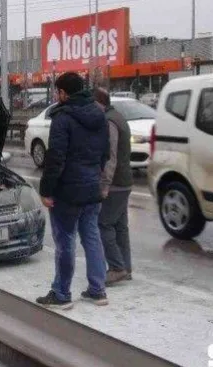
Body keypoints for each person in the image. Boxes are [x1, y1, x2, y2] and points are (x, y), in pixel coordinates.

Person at [36, 72, 110, 309]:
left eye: (57, 91)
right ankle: (98, 290)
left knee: (65, 241)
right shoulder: (99, 114)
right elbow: (105, 153)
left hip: (67, 191)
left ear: (64, 93)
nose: (56, 96)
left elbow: (55, 158)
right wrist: (94, 175)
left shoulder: (63, 117)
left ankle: (61, 294)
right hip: (91, 187)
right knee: (92, 237)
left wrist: (46, 191)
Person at [95, 88, 133, 285]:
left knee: (104, 224)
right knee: (120, 226)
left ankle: (117, 267)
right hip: (125, 180)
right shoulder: (119, 116)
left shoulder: (109, 121)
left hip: (116, 183)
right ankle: (126, 267)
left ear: (98, 103)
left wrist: (104, 184)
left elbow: (111, 156)